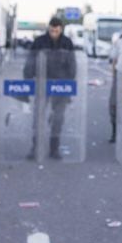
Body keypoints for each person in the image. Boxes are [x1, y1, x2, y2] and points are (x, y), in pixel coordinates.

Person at [25, 17, 77, 160]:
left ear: (61, 29)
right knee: (38, 117)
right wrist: (27, 78)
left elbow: (72, 65)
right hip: (43, 83)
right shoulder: (40, 41)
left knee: (58, 118)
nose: (54, 32)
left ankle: (54, 149)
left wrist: (69, 86)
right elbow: (31, 60)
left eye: (57, 30)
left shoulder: (67, 43)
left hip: (60, 85)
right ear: (49, 28)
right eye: (52, 30)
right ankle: (35, 148)